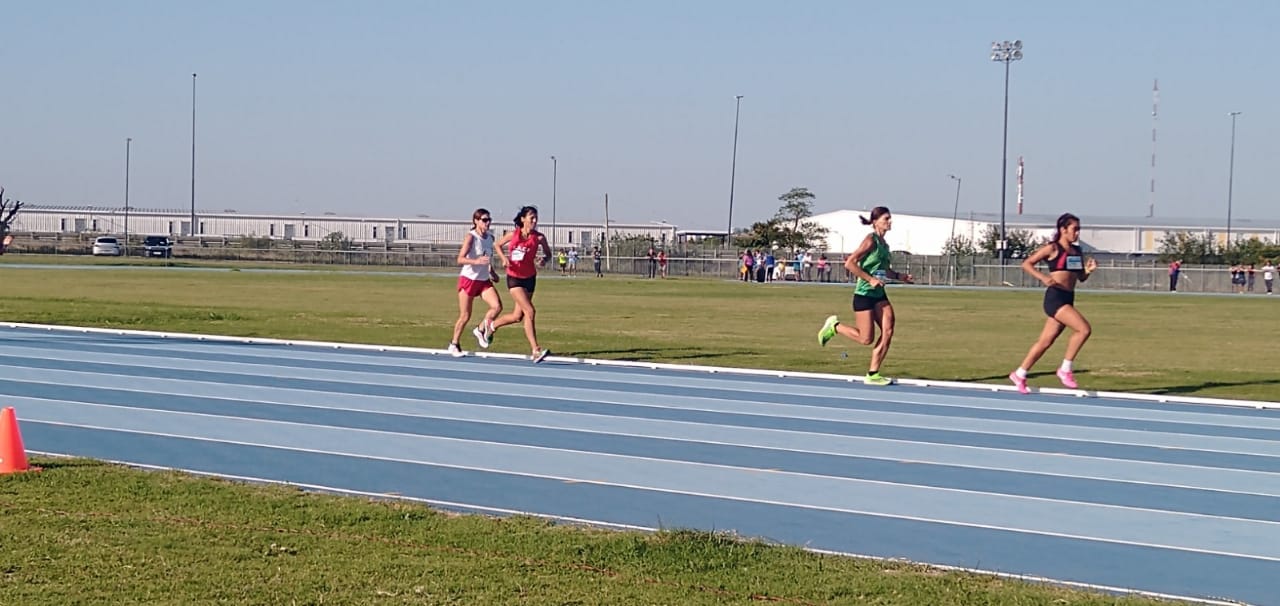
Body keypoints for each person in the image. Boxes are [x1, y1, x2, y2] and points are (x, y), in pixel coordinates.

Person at [816, 206, 913, 386]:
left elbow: (884, 270)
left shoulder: (885, 245)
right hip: (864, 295)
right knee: (866, 338)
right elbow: (850, 263)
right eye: (886, 219)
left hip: (879, 295)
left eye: (890, 218)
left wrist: (900, 276)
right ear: (875, 222)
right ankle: (835, 326)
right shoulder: (870, 241)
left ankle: (873, 373)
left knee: (888, 330)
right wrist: (870, 279)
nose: (890, 222)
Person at [1008, 212, 1098, 394]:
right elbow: (1027, 264)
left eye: (1079, 229)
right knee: (1083, 329)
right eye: (1074, 229)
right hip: (1055, 298)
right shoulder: (1053, 248)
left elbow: (1080, 277)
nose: (1077, 233)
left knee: (1045, 341)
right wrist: (1043, 277)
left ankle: (1020, 373)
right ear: (1063, 230)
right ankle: (1065, 369)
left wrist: (1088, 271)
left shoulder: (1077, 251)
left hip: (1068, 297)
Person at [491, 206, 554, 363]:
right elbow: (497, 245)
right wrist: (504, 259)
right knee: (530, 311)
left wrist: (544, 260)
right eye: (531, 217)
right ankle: (536, 350)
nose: (534, 220)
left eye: (536, 218)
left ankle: (491, 326)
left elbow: (548, 254)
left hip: (530, 278)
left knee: (518, 316)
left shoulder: (539, 238)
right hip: (514, 279)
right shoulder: (513, 235)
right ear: (523, 219)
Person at [449, 208, 504, 357]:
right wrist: (475, 261)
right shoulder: (471, 237)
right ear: (476, 221)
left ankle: (480, 329)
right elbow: (460, 259)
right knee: (465, 316)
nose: (487, 223)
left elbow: (487, 260)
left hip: (484, 280)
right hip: (469, 279)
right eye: (484, 220)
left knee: (497, 306)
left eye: (489, 220)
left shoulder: (490, 238)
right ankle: (454, 344)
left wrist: (492, 273)